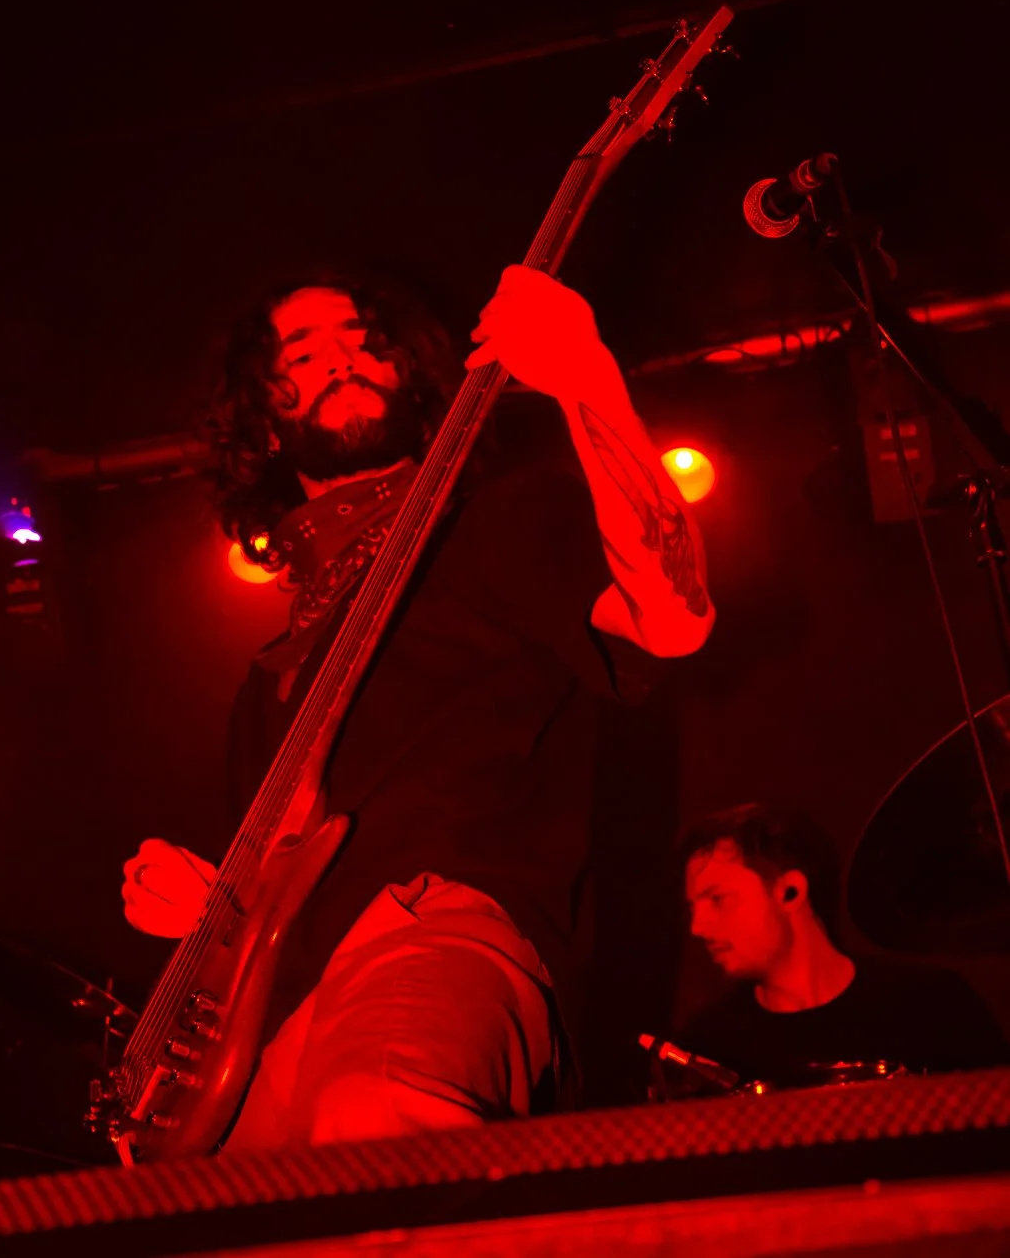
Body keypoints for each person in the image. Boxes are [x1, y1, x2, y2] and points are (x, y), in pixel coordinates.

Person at [120, 264, 715, 1147]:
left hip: (434, 926)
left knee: (375, 1117)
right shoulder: (267, 676)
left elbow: (671, 618)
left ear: (415, 380)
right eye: (301, 354)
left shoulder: (493, 525)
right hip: (277, 1014)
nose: (340, 359)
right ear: (264, 423)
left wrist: (585, 376)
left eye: (365, 341)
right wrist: (201, 907)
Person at [666, 802, 1008, 1088]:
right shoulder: (707, 1048)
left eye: (718, 899)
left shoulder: (932, 1006)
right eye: (692, 908)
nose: (697, 927)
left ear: (790, 892)